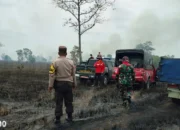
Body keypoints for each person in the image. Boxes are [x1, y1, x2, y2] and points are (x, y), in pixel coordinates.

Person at [48, 46, 76, 126]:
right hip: (68, 85)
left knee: (58, 102)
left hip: (59, 85)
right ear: (66, 53)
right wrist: (74, 84)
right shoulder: (71, 62)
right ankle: (70, 117)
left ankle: (57, 119)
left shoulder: (54, 62)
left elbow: (51, 74)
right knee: (69, 102)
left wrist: (50, 85)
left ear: (58, 53)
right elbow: (73, 74)